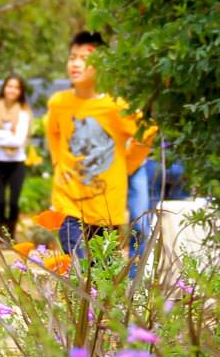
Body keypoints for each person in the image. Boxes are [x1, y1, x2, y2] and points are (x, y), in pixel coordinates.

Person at [43, 31, 148, 261]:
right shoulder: (59, 103)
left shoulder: (114, 107)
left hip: (105, 207)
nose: (76, 64)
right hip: (68, 202)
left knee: (103, 276)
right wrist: (58, 163)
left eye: (85, 58)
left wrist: (128, 165)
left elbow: (147, 133)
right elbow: (51, 130)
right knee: (76, 268)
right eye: (72, 57)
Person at [0, 76, 31, 240]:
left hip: (17, 162)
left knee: (14, 202)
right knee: (0, 201)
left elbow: (19, 140)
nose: (12, 90)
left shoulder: (23, 111)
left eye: (16, 88)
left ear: (20, 91)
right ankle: (1, 235)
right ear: (4, 88)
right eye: (9, 86)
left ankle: (12, 236)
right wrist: (8, 134)